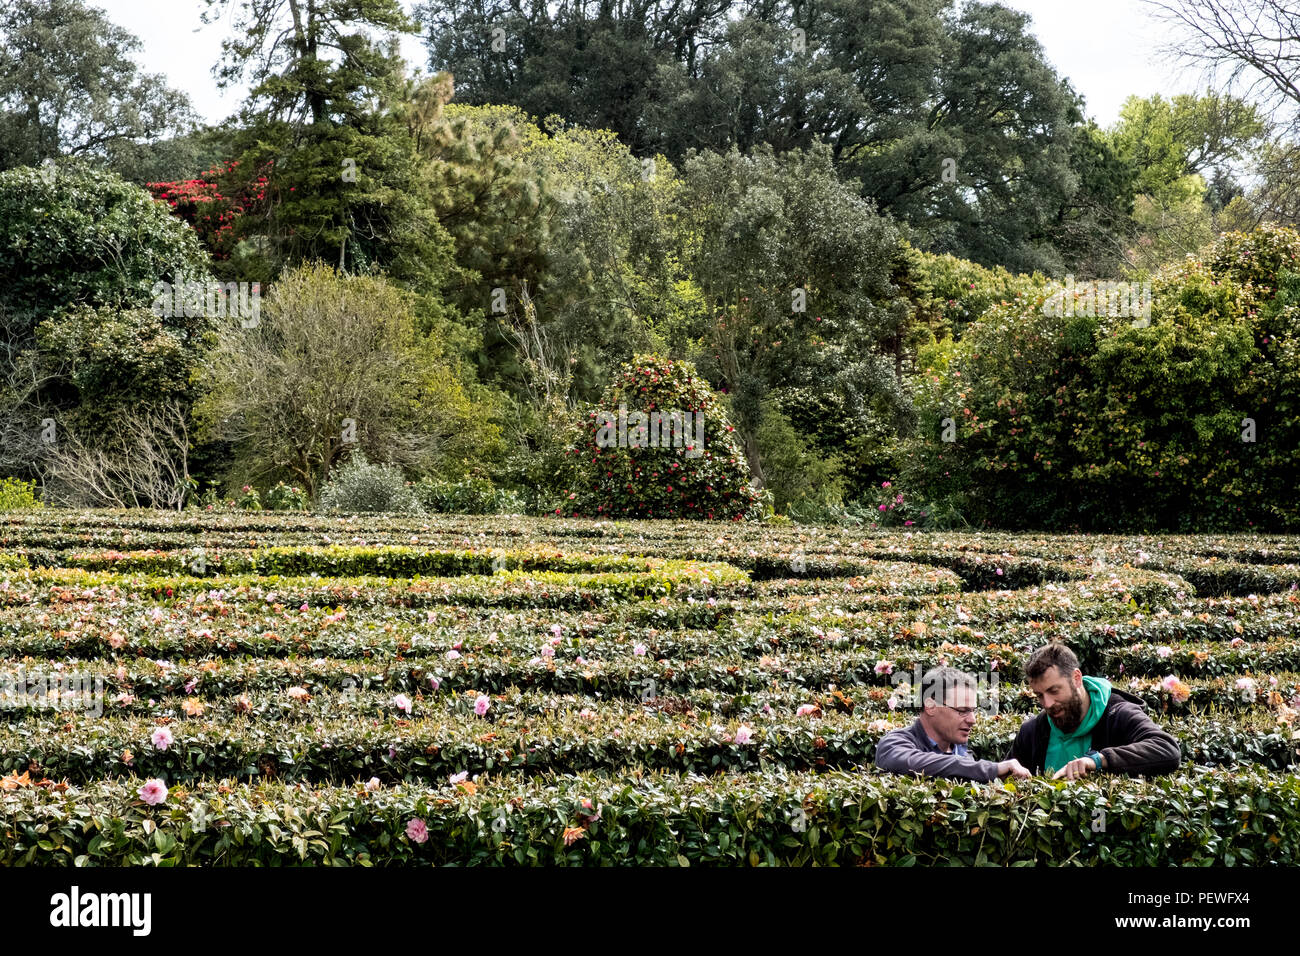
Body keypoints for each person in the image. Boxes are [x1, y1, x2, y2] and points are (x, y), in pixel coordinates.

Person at [1007, 642, 1180, 779]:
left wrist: (1098, 760)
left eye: (1054, 691)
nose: (1047, 703)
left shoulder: (1119, 714)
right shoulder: (1032, 731)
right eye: (1039, 695)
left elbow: (1167, 749)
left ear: (1076, 678)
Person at [875, 666, 1031, 782]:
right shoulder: (893, 744)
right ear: (931, 707)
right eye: (962, 711)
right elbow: (912, 762)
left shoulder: (962, 752)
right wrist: (992, 769)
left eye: (973, 711)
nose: (972, 720)